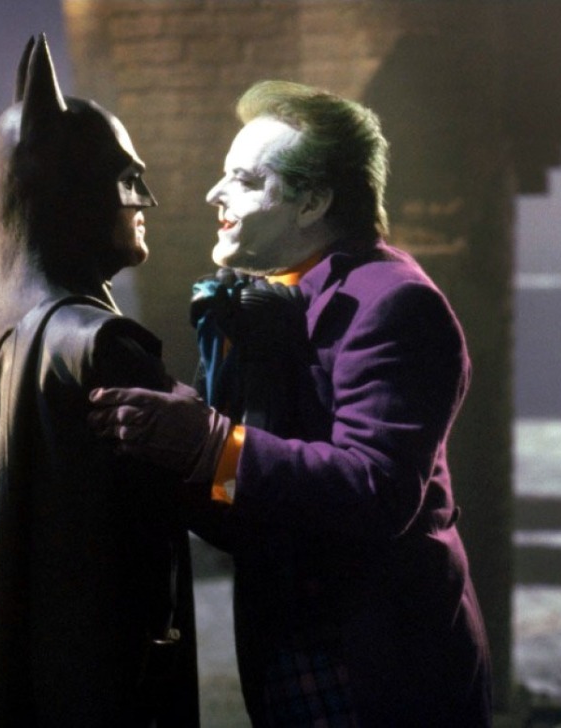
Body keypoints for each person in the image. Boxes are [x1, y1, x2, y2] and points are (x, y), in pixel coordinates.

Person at [89, 80, 493, 726]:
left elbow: (378, 488)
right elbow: (248, 504)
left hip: (381, 669)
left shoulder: (394, 304)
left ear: (312, 202)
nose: (214, 195)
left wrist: (208, 444)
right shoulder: (267, 298)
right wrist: (164, 454)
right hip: (294, 653)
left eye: (246, 180)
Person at [0, 35, 199, 727]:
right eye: (125, 179)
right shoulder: (103, 348)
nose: (145, 200)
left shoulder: (10, 331)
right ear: (68, 191)